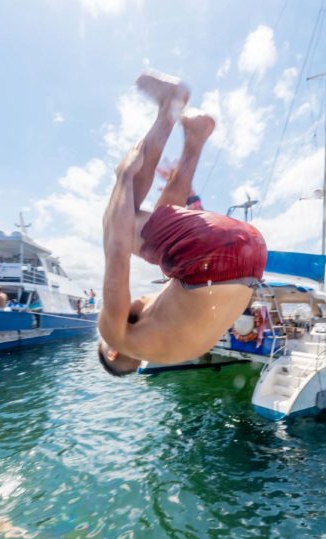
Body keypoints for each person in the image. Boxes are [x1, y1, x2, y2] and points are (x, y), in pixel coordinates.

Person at [97, 70, 267, 376]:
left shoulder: (169, 339)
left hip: (250, 258)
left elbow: (217, 246)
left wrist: (190, 198)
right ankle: (169, 107)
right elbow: (117, 254)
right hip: (210, 262)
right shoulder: (116, 335)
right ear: (112, 350)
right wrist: (125, 177)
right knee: (115, 221)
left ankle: (195, 137)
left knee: (156, 242)